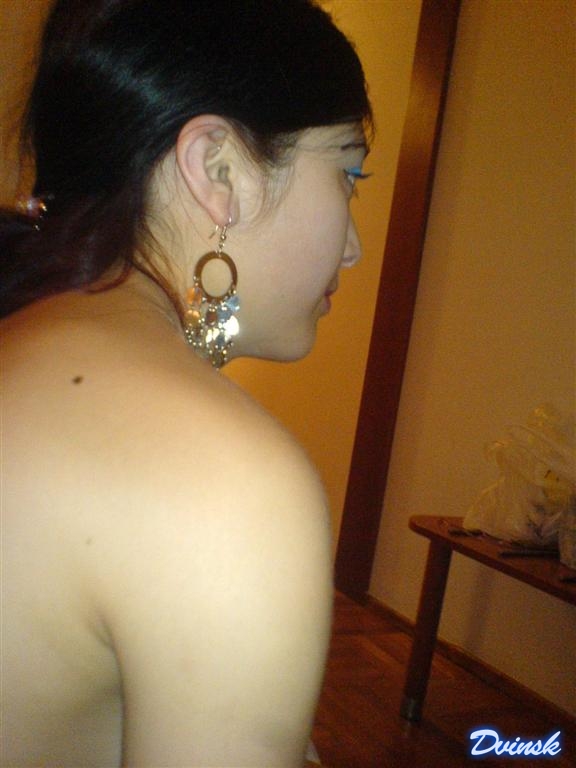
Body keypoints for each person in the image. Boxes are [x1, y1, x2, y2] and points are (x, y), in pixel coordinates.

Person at [0, 0, 372, 765]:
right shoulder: (223, 479)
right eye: (348, 171)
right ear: (218, 169)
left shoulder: (25, 329)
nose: (354, 247)